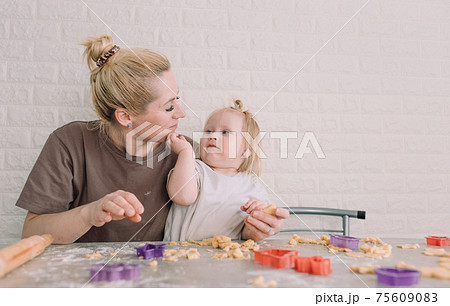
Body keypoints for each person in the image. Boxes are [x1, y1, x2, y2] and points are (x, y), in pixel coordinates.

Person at [15, 34, 288, 244]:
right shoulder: (70, 142)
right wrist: (89, 213)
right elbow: (32, 232)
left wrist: (253, 228)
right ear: (125, 117)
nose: (181, 114)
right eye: (169, 107)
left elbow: (222, 209)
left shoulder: (189, 154)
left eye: (177, 100)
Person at [164, 100, 283, 241]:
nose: (213, 136)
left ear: (246, 150)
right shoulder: (194, 168)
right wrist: (185, 152)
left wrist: (258, 216)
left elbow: (248, 233)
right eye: (209, 131)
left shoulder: (252, 184)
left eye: (225, 132)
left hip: (228, 258)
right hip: (181, 256)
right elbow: (182, 197)